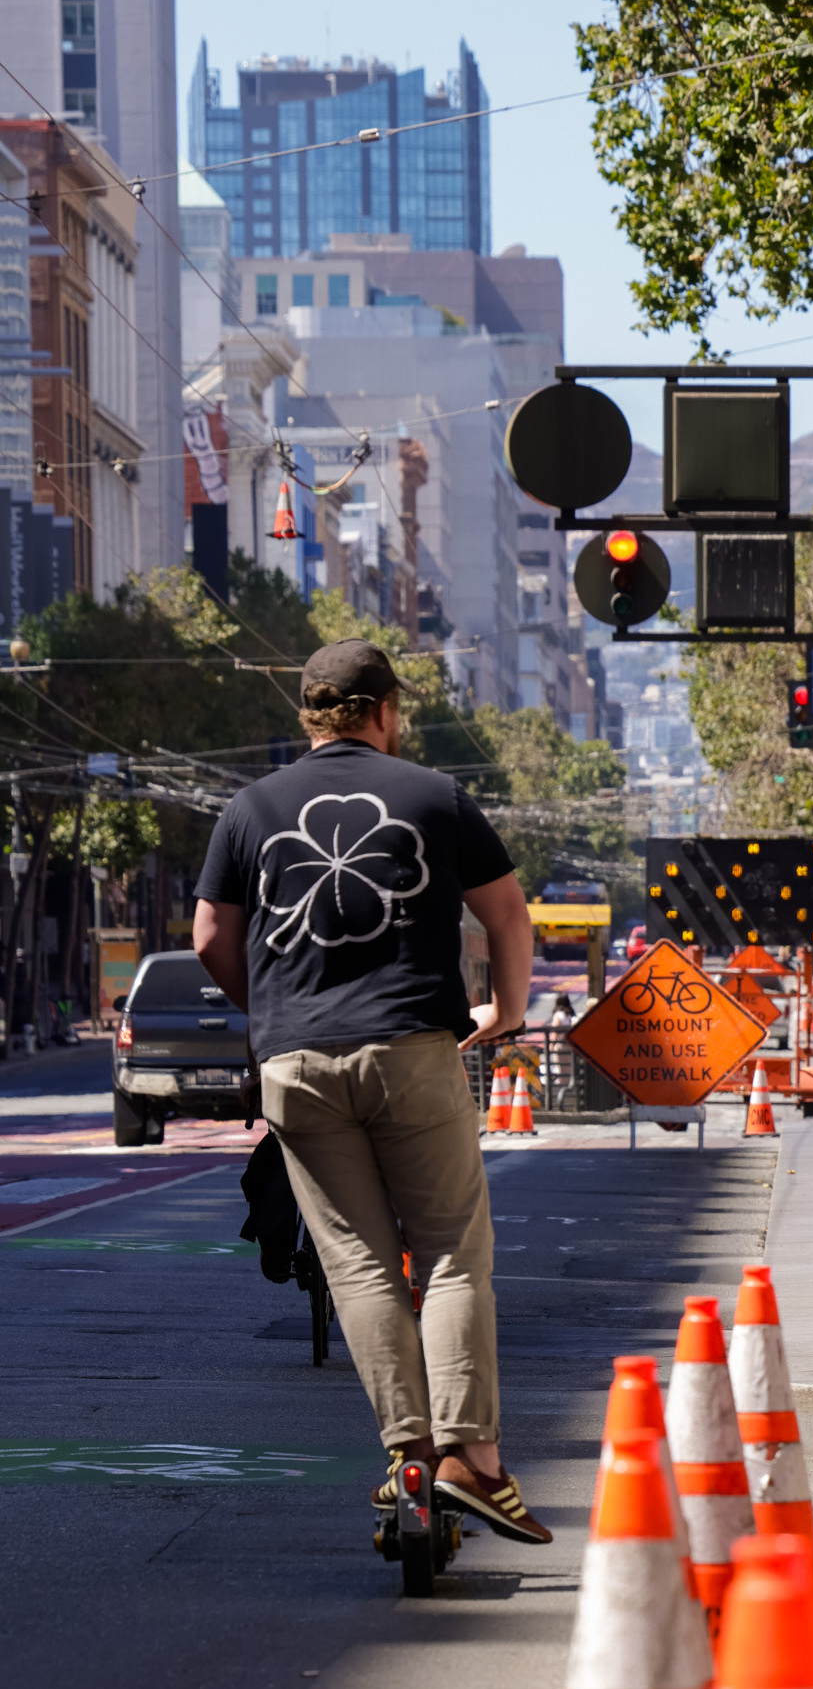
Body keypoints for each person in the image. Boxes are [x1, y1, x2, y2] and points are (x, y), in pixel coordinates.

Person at [191, 639, 549, 1542]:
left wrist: (270, 1011)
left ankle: (410, 1456)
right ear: (386, 710)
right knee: (451, 1254)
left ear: (309, 716)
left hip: (295, 1064)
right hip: (411, 1049)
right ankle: (474, 1459)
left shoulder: (250, 808)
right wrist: (504, 1011)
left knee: (354, 1264)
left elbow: (206, 937)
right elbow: (505, 910)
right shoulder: (435, 795)